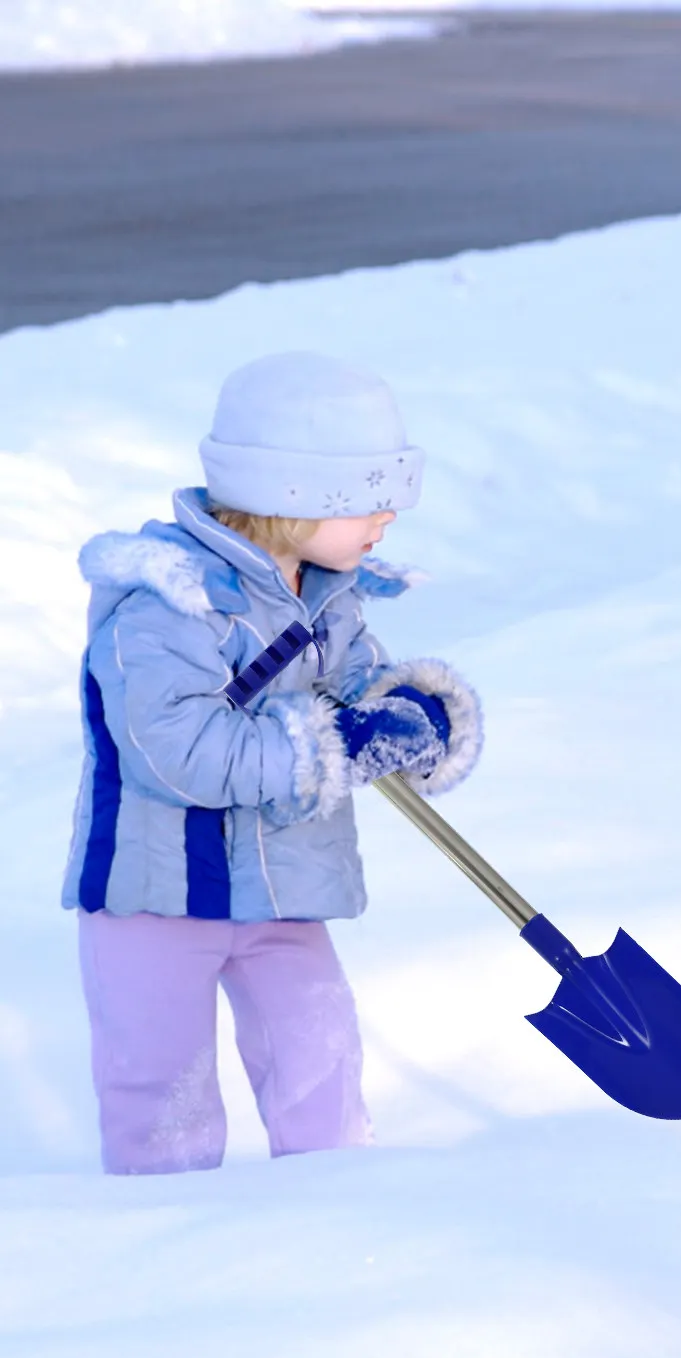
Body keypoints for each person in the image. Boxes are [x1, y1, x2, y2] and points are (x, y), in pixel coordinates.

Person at [61, 351, 482, 1176]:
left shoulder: (329, 592)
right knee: (161, 1093)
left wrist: (407, 713)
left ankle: (335, 1211)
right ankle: (166, 1240)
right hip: (154, 899)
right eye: (369, 500)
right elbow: (176, 751)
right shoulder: (164, 603)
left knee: (319, 1066)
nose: (388, 519)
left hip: (281, 890)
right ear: (294, 496)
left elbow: (353, 685)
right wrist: (327, 747)